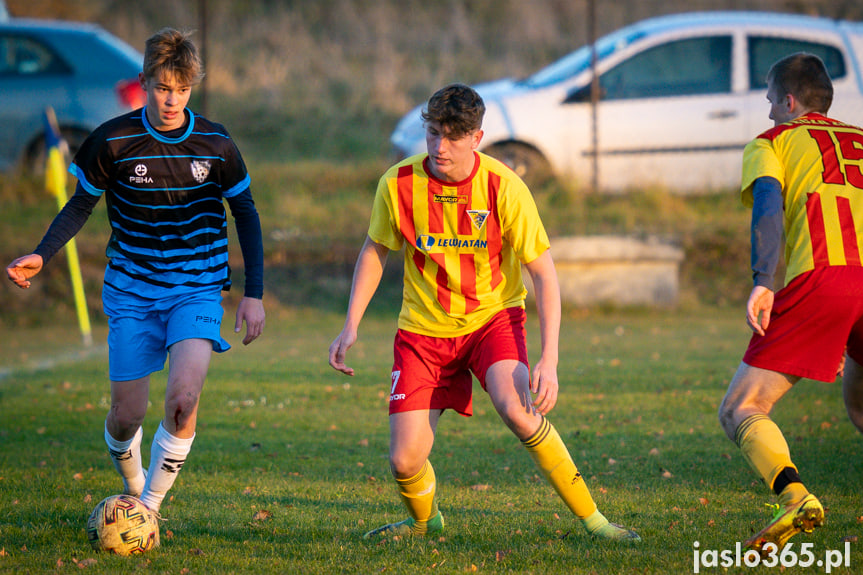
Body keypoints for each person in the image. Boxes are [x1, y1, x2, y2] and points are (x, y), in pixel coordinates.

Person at [328, 83, 639, 542]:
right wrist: (351, 323)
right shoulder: (398, 184)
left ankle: (595, 522)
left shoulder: (504, 187)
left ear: (477, 137)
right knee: (405, 460)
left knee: (519, 410)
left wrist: (549, 360)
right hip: (422, 331)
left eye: (454, 136)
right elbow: (376, 250)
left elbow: (544, 274)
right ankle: (423, 523)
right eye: (433, 133)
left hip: (492, 320)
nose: (440, 146)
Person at [6, 28, 265, 517]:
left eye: (182, 89)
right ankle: (133, 480)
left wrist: (254, 292)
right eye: (164, 88)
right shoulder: (112, 140)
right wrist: (43, 253)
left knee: (183, 400)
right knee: (126, 417)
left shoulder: (215, 143)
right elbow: (80, 204)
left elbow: (245, 212)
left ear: (193, 88)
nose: (172, 100)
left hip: (197, 287)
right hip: (132, 291)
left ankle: (148, 509)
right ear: (145, 81)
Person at [718, 52, 863, 553]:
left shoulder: (773, 141)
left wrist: (763, 279)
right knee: (861, 407)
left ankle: (795, 497)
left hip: (824, 279)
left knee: (742, 406)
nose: (767, 112)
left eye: (769, 101)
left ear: (789, 100)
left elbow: (767, 204)